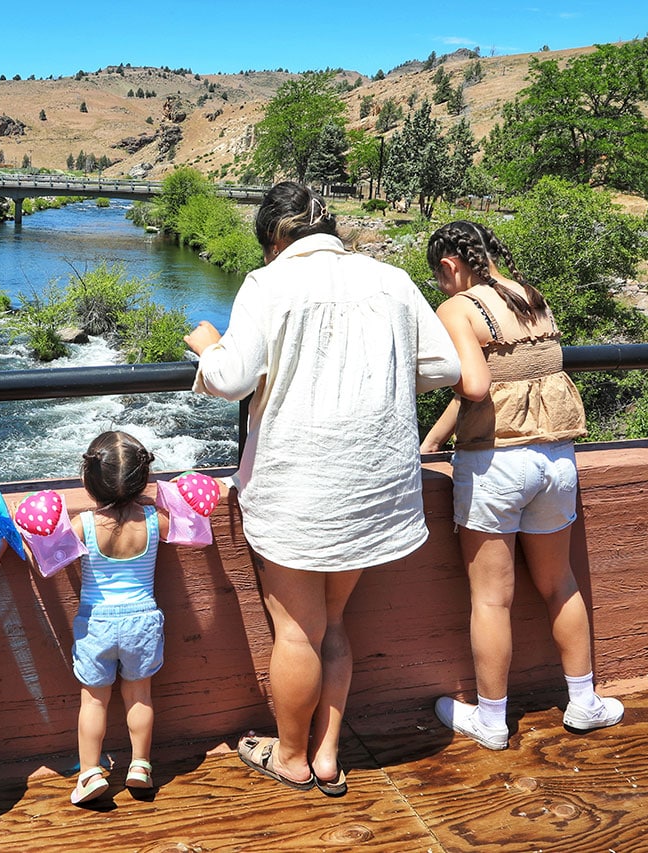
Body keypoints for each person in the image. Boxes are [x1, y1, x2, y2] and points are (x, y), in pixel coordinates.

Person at [185, 182, 460, 797]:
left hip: (300, 491)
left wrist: (207, 346)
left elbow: (230, 378)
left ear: (274, 239)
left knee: (296, 630)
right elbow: (444, 368)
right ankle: (329, 753)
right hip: (373, 485)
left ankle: (289, 756)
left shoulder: (269, 284)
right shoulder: (390, 280)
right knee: (333, 622)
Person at [420, 220, 623, 750]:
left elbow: (478, 386)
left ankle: (490, 722)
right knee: (560, 584)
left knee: (491, 600)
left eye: (439, 278)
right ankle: (584, 703)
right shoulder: (530, 296)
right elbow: (511, 382)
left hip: (497, 467)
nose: (441, 288)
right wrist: (433, 439)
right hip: (556, 459)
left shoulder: (460, 308)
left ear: (450, 265)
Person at [63, 430, 173, 805]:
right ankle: (140, 765)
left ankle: (90, 772)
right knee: (139, 695)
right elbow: (188, 530)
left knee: (93, 701)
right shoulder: (155, 520)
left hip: (97, 623)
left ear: (87, 481)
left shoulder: (84, 525)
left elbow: (51, 555)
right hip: (143, 620)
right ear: (142, 479)